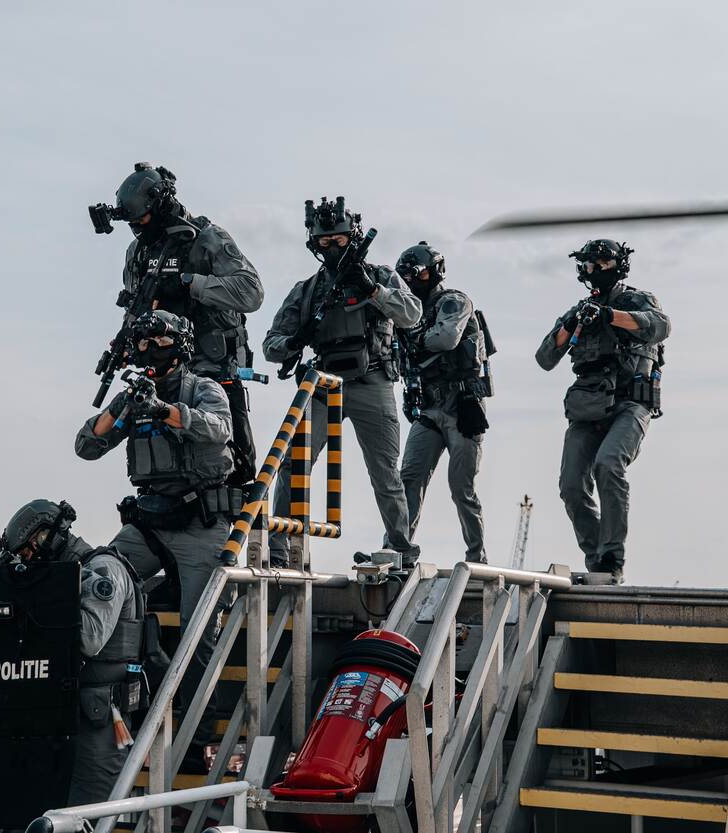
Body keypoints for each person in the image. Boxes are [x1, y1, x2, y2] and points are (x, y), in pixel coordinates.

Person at [75, 309, 239, 772]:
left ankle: (196, 736)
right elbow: (86, 446)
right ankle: (106, 703)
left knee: (198, 629)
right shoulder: (134, 397)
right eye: (141, 344)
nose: (149, 350)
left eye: (158, 341)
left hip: (199, 522)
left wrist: (164, 411)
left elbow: (218, 428)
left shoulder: (202, 387)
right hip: (149, 522)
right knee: (95, 577)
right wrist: (121, 408)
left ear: (179, 345)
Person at [262, 197, 423, 566]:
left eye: (339, 239)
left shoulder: (380, 276)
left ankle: (401, 550)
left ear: (352, 237)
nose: (332, 247)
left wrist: (372, 291)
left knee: (386, 474)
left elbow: (412, 314)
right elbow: (272, 343)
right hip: (324, 385)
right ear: (314, 244)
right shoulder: (307, 290)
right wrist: (294, 341)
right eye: (324, 242)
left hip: (373, 381)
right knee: (292, 464)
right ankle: (279, 549)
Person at [102, 162, 264, 485]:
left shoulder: (205, 239)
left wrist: (191, 283)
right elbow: (134, 308)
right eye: (133, 223)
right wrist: (124, 344)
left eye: (143, 219)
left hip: (212, 367)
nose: (139, 227)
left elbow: (252, 292)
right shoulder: (138, 253)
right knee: (168, 468)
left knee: (235, 466)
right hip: (165, 373)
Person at [0, 498, 144, 806]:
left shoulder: (102, 569)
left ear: (49, 536)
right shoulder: (69, 574)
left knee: (92, 812)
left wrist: (54, 584)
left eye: (27, 551)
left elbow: (89, 638)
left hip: (101, 715)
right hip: (63, 709)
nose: (27, 559)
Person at [535, 239, 670, 584]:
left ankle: (612, 556)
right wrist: (573, 323)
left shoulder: (635, 300)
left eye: (601, 264)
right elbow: (545, 358)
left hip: (630, 403)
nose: (593, 271)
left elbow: (660, 325)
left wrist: (610, 316)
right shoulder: (578, 310)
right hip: (588, 407)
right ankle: (597, 560)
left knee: (608, 465)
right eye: (589, 265)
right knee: (571, 486)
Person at [394, 242, 492, 563]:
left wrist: (415, 337)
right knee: (409, 477)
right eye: (406, 276)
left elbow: (445, 338)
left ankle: (477, 557)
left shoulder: (454, 302)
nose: (411, 281)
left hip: (462, 403)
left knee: (461, 488)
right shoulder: (407, 314)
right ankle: (398, 550)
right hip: (429, 407)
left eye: (416, 274)